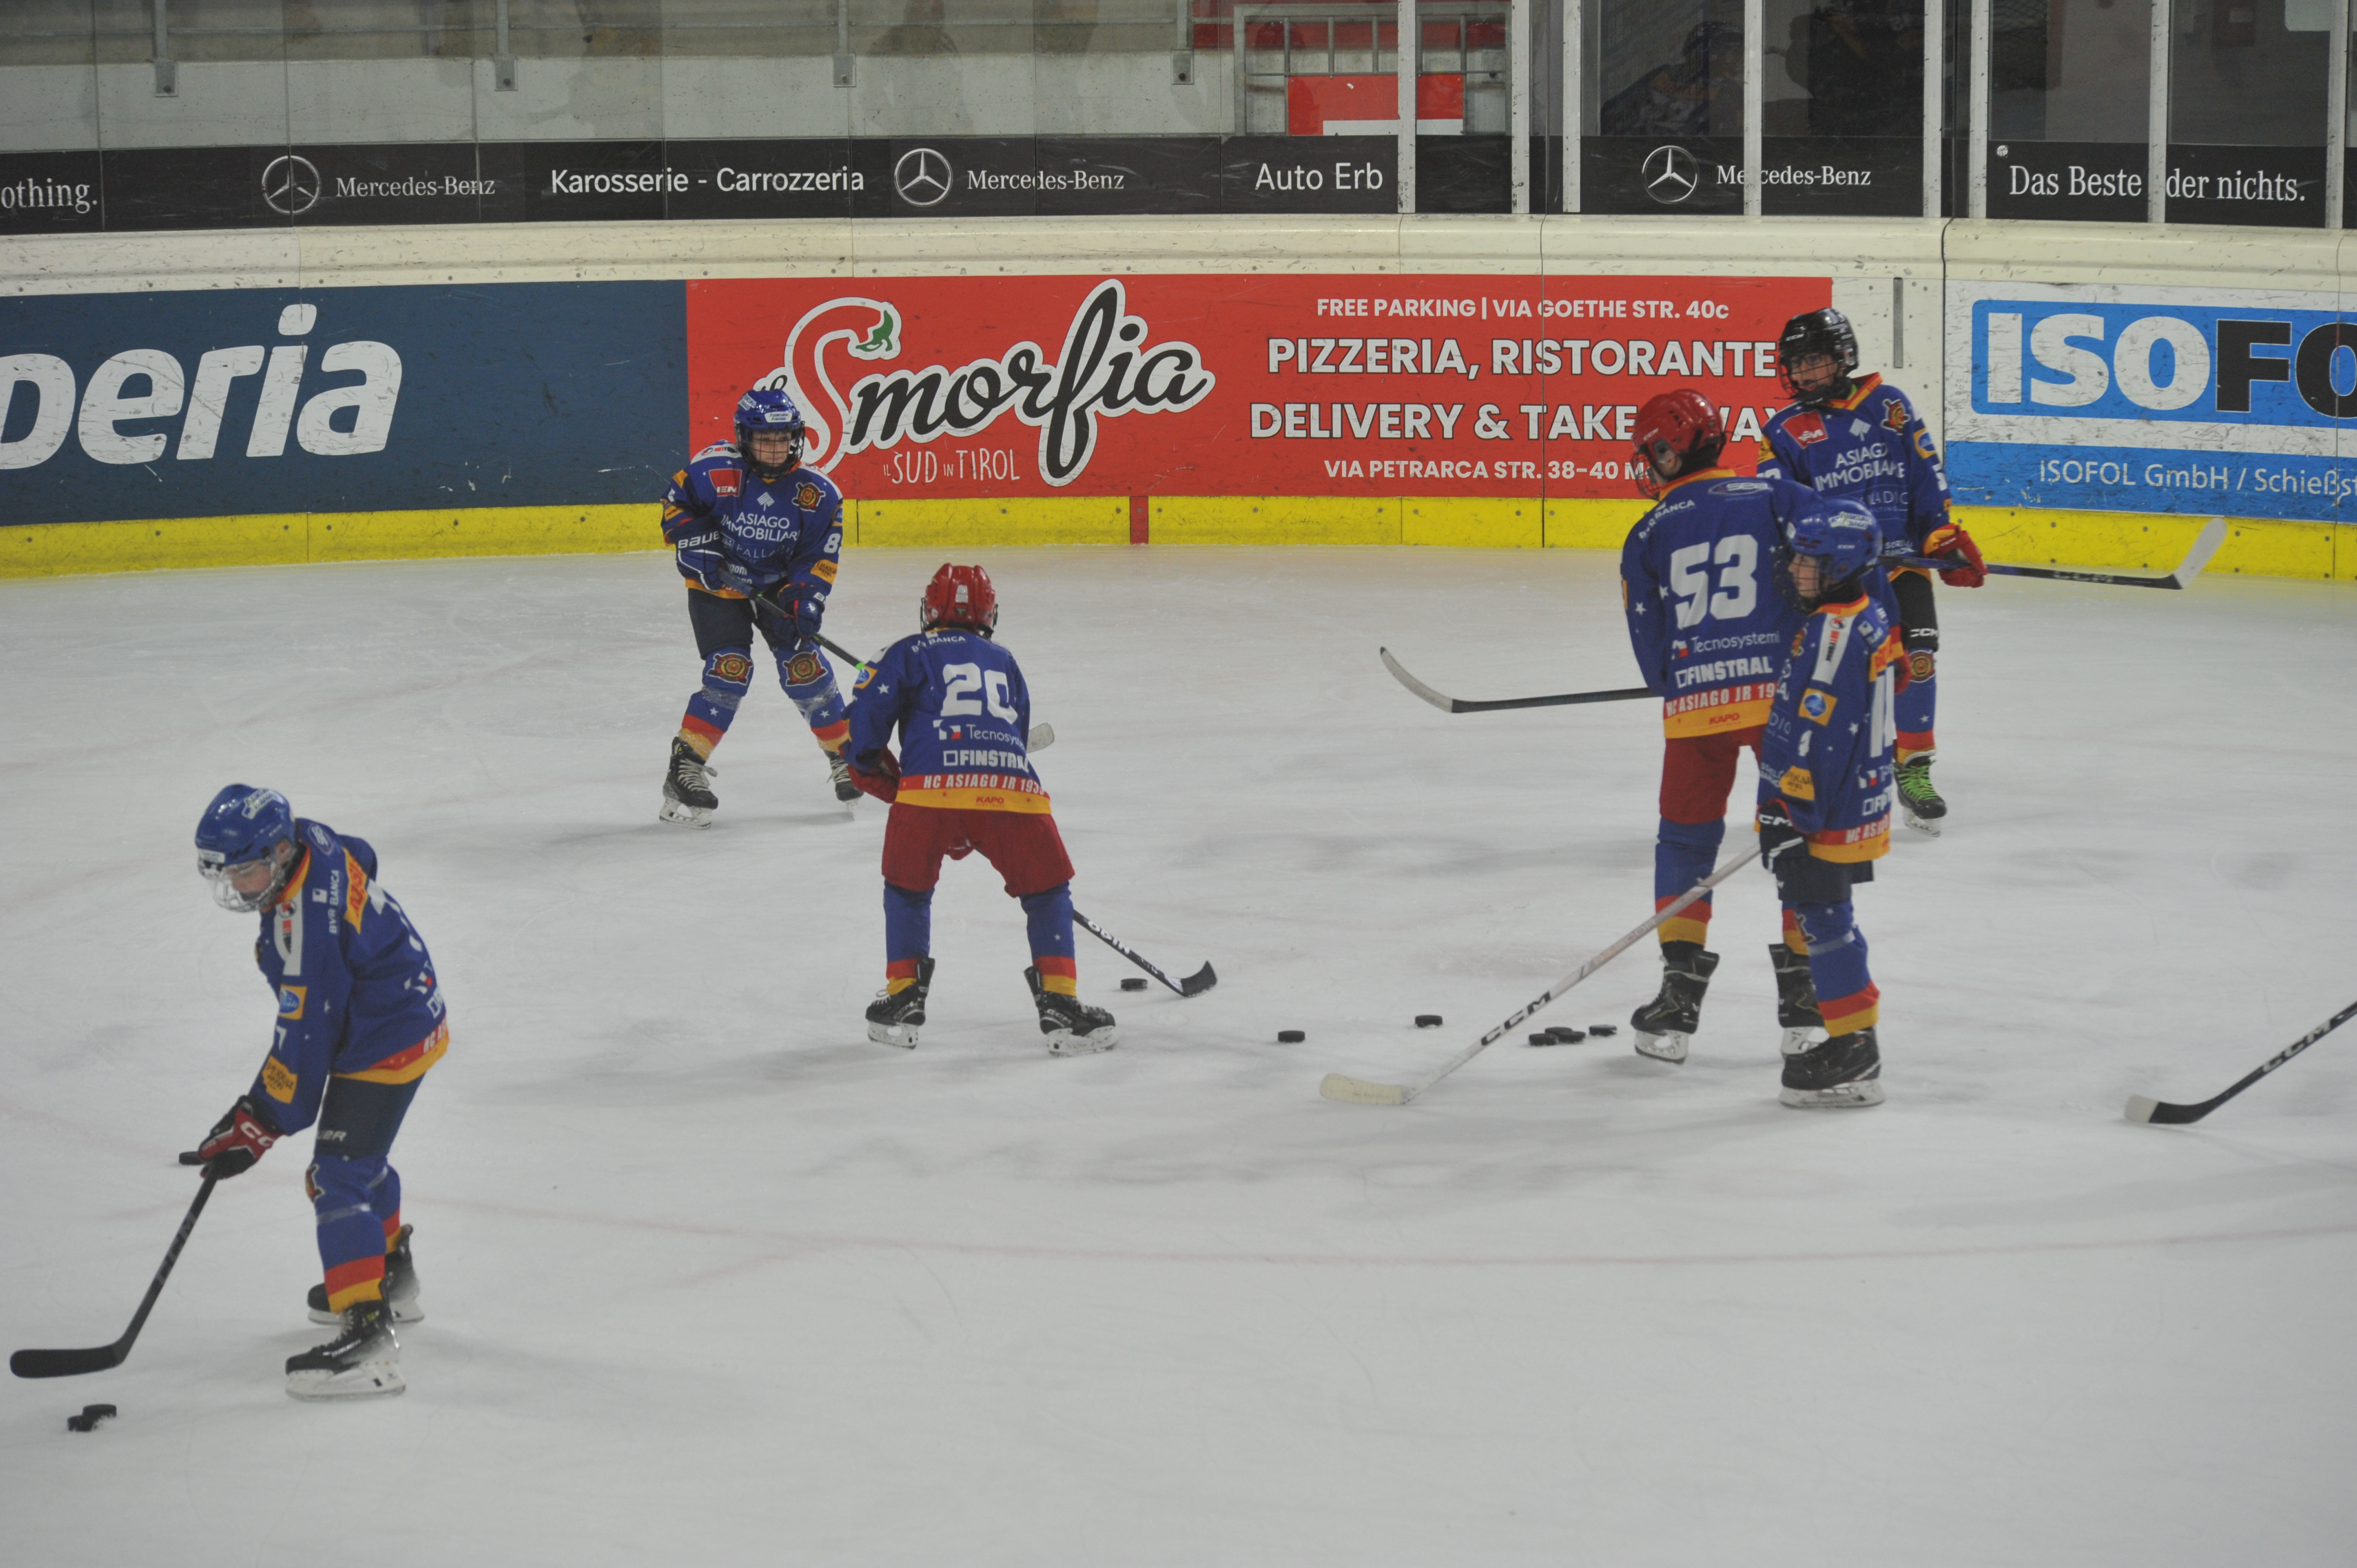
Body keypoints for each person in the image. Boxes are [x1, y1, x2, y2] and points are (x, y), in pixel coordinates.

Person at [1619, 389, 1887, 1065]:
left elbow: (1650, 652)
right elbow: (1842, 567)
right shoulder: (1775, 495)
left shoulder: (1646, 532)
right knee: (1798, 841)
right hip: (1786, 700)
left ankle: (1678, 994)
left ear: (1670, 451)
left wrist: (1686, 674)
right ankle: (1804, 997)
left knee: (1683, 840)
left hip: (1694, 709)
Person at [186, 785, 447, 1399]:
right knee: (362, 1160)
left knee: (338, 1174)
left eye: (245, 871)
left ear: (279, 853)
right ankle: (388, 1275)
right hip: (398, 1010)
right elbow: (363, 854)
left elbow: (307, 1034)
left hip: (386, 1035)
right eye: (226, 873)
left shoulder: (306, 929)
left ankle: (368, 1340)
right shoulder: (312, 838)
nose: (236, 886)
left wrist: (261, 1118)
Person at [843, 564, 1118, 1055]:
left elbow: (862, 730)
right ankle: (1061, 1004)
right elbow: (1018, 733)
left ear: (929, 609)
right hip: (1012, 791)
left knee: (907, 890)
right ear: (990, 614)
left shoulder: (905, 651)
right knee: (1047, 892)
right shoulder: (1005, 659)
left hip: (928, 795)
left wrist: (885, 780)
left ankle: (903, 998)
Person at [1758, 307, 1984, 834]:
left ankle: (1914, 768)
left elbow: (1926, 475)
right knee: (1837, 678)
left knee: (1918, 659)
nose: (1803, 373)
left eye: (1813, 361)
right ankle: (1824, 770)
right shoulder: (1783, 431)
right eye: (1796, 364)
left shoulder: (1890, 406)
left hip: (1901, 565)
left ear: (1843, 357)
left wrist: (1942, 537)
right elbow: (1779, 507)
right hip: (1836, 578)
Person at [1755, 502, 1902, 1107]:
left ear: (1840, 566)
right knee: (1824, 915)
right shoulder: (1866, 613)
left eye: (1809, 561)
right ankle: (1851, 1035)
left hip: (1826, 806)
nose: (1795, 569)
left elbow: (1819, 733)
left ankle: (1854, 1049)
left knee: (1823, 916)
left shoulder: (1833, 634)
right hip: (1853, 796)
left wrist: (1791, 811)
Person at [657, 385, 857, 828]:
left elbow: (818, 557)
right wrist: (694, 542)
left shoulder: (818, 494)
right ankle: (685, 768)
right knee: (729, 669)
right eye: (765, 439)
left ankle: (846, 757)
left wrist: (806, 598)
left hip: (778, 589)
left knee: (805, 667)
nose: (775, 448)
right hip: (719, 585)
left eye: (783, 438)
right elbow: (675, 505)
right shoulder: (714, 470)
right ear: (745, 438)